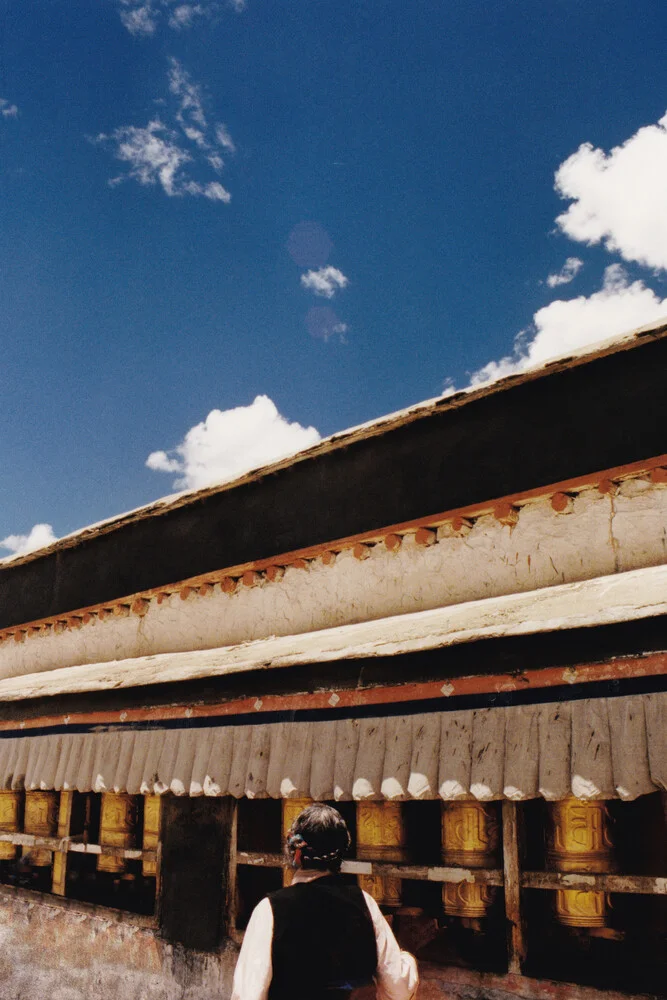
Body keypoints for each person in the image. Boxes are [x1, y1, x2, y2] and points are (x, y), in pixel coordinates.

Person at [231, 802, 419, 1000]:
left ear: (297, 853)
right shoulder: (365, 903)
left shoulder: (270, 910)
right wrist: (407, 960)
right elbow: (398, 987)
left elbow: (247, 994)